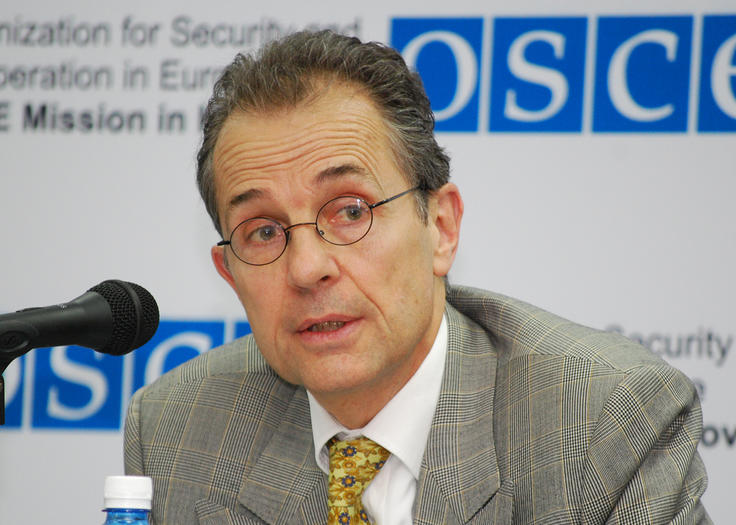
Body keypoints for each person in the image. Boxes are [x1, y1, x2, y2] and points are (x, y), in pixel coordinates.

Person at [124, 30, 711, 525]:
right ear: (230, 275)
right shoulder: (177, 430)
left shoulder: (605, 420)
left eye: (350, 211)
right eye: (263, 231)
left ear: (441, 228)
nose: (306, 268)